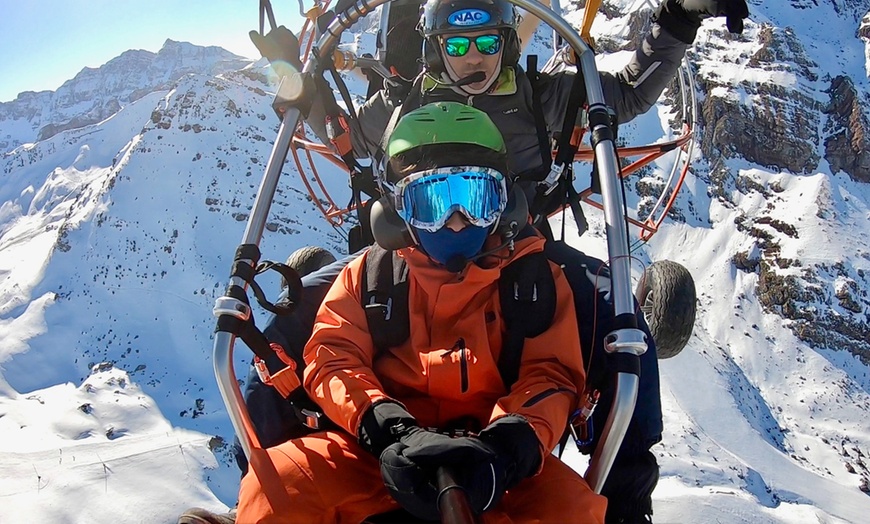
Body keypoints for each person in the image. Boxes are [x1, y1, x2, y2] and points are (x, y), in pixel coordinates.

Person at [232, 101, 607, 522]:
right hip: (379, 455)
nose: (456, 222)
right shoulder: (371, 275)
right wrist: (388, 427)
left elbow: (552, 374)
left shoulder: (533, 281)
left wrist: (509, 445)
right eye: (431, 202)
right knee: (276, 485)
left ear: (503, 203)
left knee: (575, 511)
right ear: (398, 209)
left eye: (475, 197)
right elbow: (332, 357)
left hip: (492, 462)